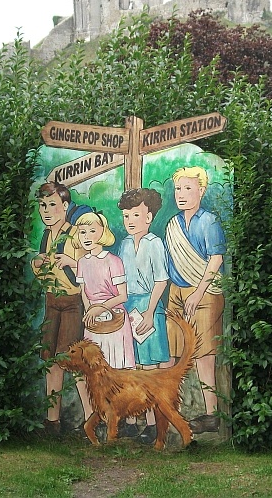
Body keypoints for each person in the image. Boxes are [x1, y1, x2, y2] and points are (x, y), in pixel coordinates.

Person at [164, 166, 226, 434]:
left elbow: (216, 259)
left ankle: (211, 414)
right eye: (178, 189)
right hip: (177, 292)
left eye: (187, 188)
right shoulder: (172, 225)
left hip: (206, 292)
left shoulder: (209, 222)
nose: (181, 194)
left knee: (204, 355)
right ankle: (170, 409)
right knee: (173, 351)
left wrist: (198, 292)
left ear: (201, 191)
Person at [30, 182, 91, 435]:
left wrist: (72, 262)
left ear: (65, 206)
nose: (46, 211)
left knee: (73, 362)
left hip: (72, 303)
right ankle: (52, 420)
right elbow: (45, 273)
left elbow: (91, 268)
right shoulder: (47, 236)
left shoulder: (75, 234)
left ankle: (92, 418)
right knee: (50, 361)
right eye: (43, 206)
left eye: (52, 205)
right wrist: (38, 264)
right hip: (51, 301)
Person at [117, 188, 171, 444]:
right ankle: (131, 419)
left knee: (149, 367)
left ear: (148, 217)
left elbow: (161, 280)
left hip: (149, 306)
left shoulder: (154, 243)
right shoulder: (125, 244)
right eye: (126, 216)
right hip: (129, 308)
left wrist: (150, 313)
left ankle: (152, 424)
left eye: (135, 215)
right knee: (132, 365)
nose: (129, 221)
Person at [73, 211, 136, 370]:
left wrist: (99, 309)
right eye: (82, 232)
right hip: (93, 322)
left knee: (117, 369)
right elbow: (83, 293)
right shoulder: (82, 263)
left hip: (114, 320)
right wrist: (90, 312)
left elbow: (122, 296)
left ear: (103, 232)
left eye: (92, 231)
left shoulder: (113, 261)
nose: (86, 237)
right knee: (95, 371)